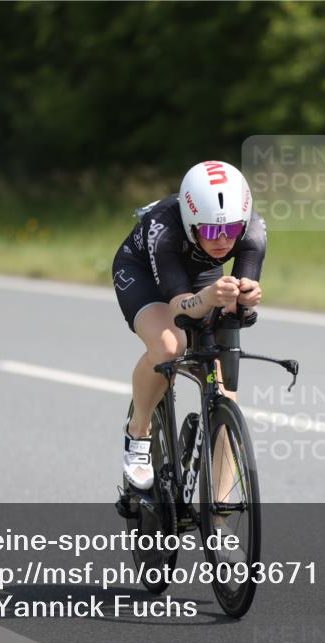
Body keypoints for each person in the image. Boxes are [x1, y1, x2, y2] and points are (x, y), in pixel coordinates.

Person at [111, 160, 266, 492]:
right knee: (170, 347)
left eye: (231, 230)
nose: (223, 240)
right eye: (211, 231)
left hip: (199, 276)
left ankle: (220, 514)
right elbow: (180, 307)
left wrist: (246, 300)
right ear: (191, 222)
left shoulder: (252, 229)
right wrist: (209, 297)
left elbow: (236, 306)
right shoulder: (163, 228)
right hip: (145, 274)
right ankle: (138, 434)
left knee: (227, 392)